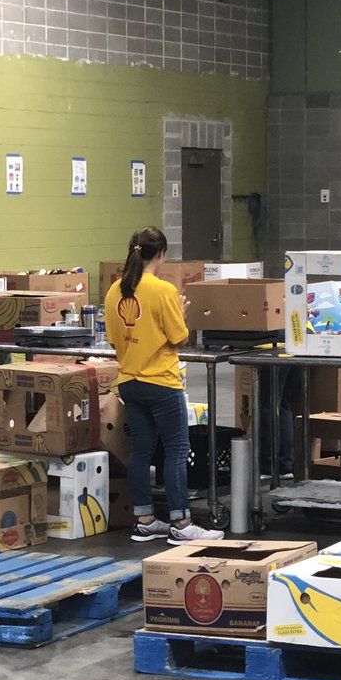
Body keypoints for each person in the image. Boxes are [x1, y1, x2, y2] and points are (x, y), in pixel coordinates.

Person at [105, 226, 224, 544]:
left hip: (129, 381)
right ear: (161, 254)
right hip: (161, 382)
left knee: (141, 451)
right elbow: (179, 337)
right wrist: (181, 315)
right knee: (176, 451)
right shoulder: (164, 291)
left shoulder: (115, 291)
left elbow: (114, 339)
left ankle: (144, 519)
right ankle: (182, 524)